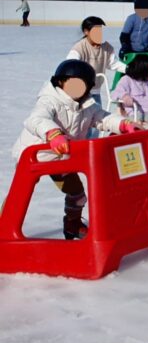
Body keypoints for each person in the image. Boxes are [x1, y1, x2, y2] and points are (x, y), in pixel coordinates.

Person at [11, 60, 141, 240]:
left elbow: (103, 118)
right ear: (60, 82)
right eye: (71, 84)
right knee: (19, 195)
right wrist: (53, 133)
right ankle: (5, 225)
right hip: (35, 156)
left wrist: (123, 124)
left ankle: (72, 224)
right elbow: (36, 119)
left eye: (81, 85)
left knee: (77, 194)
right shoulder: (49, 100)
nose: (75, 89)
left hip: (61, 158)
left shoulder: (87, 106)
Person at [67, 16, 127, 106]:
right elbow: (70, 64)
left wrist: (129, 69)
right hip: (81, 93)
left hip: (96, 91)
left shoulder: (106, 48)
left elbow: (113, 63)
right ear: (86, 32)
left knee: (97, 117)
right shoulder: (80, 47)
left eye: (100, 31)